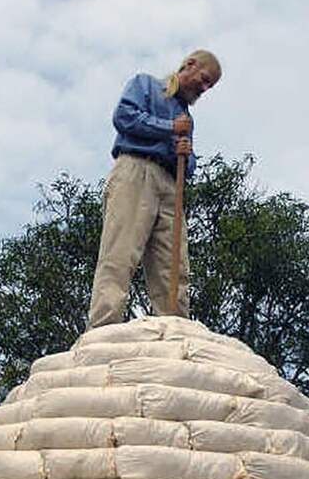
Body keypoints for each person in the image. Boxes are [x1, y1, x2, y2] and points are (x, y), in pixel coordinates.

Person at [87, 49, 221, 329]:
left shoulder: (187, 118)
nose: (204, 88)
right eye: (204, 79)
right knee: (120, 253)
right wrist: (169, 127)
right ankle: (102, 326)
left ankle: (175, 329)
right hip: (136, 169)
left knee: (174, 266)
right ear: (190, 64)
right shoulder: (146, 85)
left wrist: (185, 152)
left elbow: (190, 165)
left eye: (210, 86)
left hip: (171, 183)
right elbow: (124, 116)